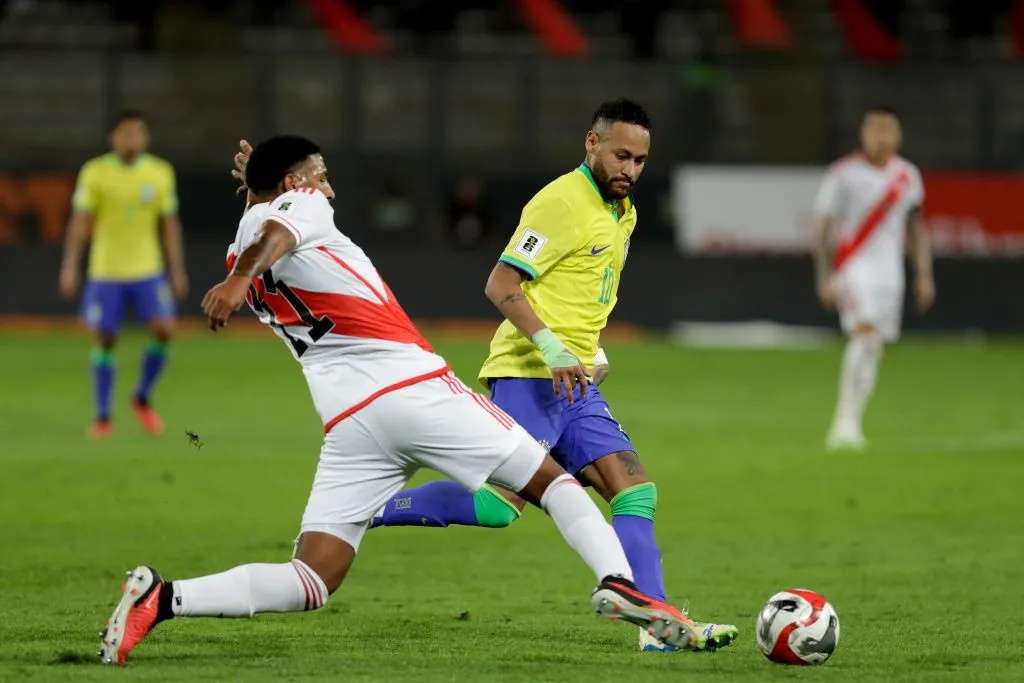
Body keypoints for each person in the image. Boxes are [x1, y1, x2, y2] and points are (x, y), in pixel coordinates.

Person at [98, 135, 699, 666]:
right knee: (553, 483)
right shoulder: (293, 215)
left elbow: (267, 230)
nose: (328, 188)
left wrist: (255, 218)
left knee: (313, 578)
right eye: (321, 175)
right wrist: (250, 253)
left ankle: (164, 598)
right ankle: (618, 583)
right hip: (415, 390)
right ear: (296, 184)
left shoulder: (240, 246)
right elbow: (283, 226)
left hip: (350, 424)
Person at [327, 99, 737, 653]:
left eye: (640, 161)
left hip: (576, 383)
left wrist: (590, 352)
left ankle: (659, 630)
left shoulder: (625, 212)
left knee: (636, 493)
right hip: (527, 374)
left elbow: (583, 293)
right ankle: (369, 508)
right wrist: (551, 348)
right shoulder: (560, 202)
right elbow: (500, 284)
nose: (630, 170)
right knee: (499, 508)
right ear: (592, 143)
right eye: (621, 155)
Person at [59, 110, 188, 438]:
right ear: (113, 138)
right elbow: (80, 223)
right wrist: (70, 265)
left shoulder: (159, 172)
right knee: (105, 337)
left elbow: (169, 224)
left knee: (164, 329)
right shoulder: (96, 172)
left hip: (148, 269)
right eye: (127, 132)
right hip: (107, 270)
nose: (134, 138)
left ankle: (141, 397)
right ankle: (103, 416)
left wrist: (177, 270)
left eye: (139, 132)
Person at [813, 106, 934, 450]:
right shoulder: (843, 174)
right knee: (865, 334)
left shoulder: (908, 176)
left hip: (890, 273)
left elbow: (916, 227)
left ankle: (853, 419)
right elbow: (822, 227)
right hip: (853, 268)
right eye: (875, 129)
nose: (881, 136)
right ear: (863, 134)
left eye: (888, 130)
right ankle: (844, 422)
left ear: (899, 136)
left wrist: (924, 274)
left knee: (875, 344)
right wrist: (824, 276)